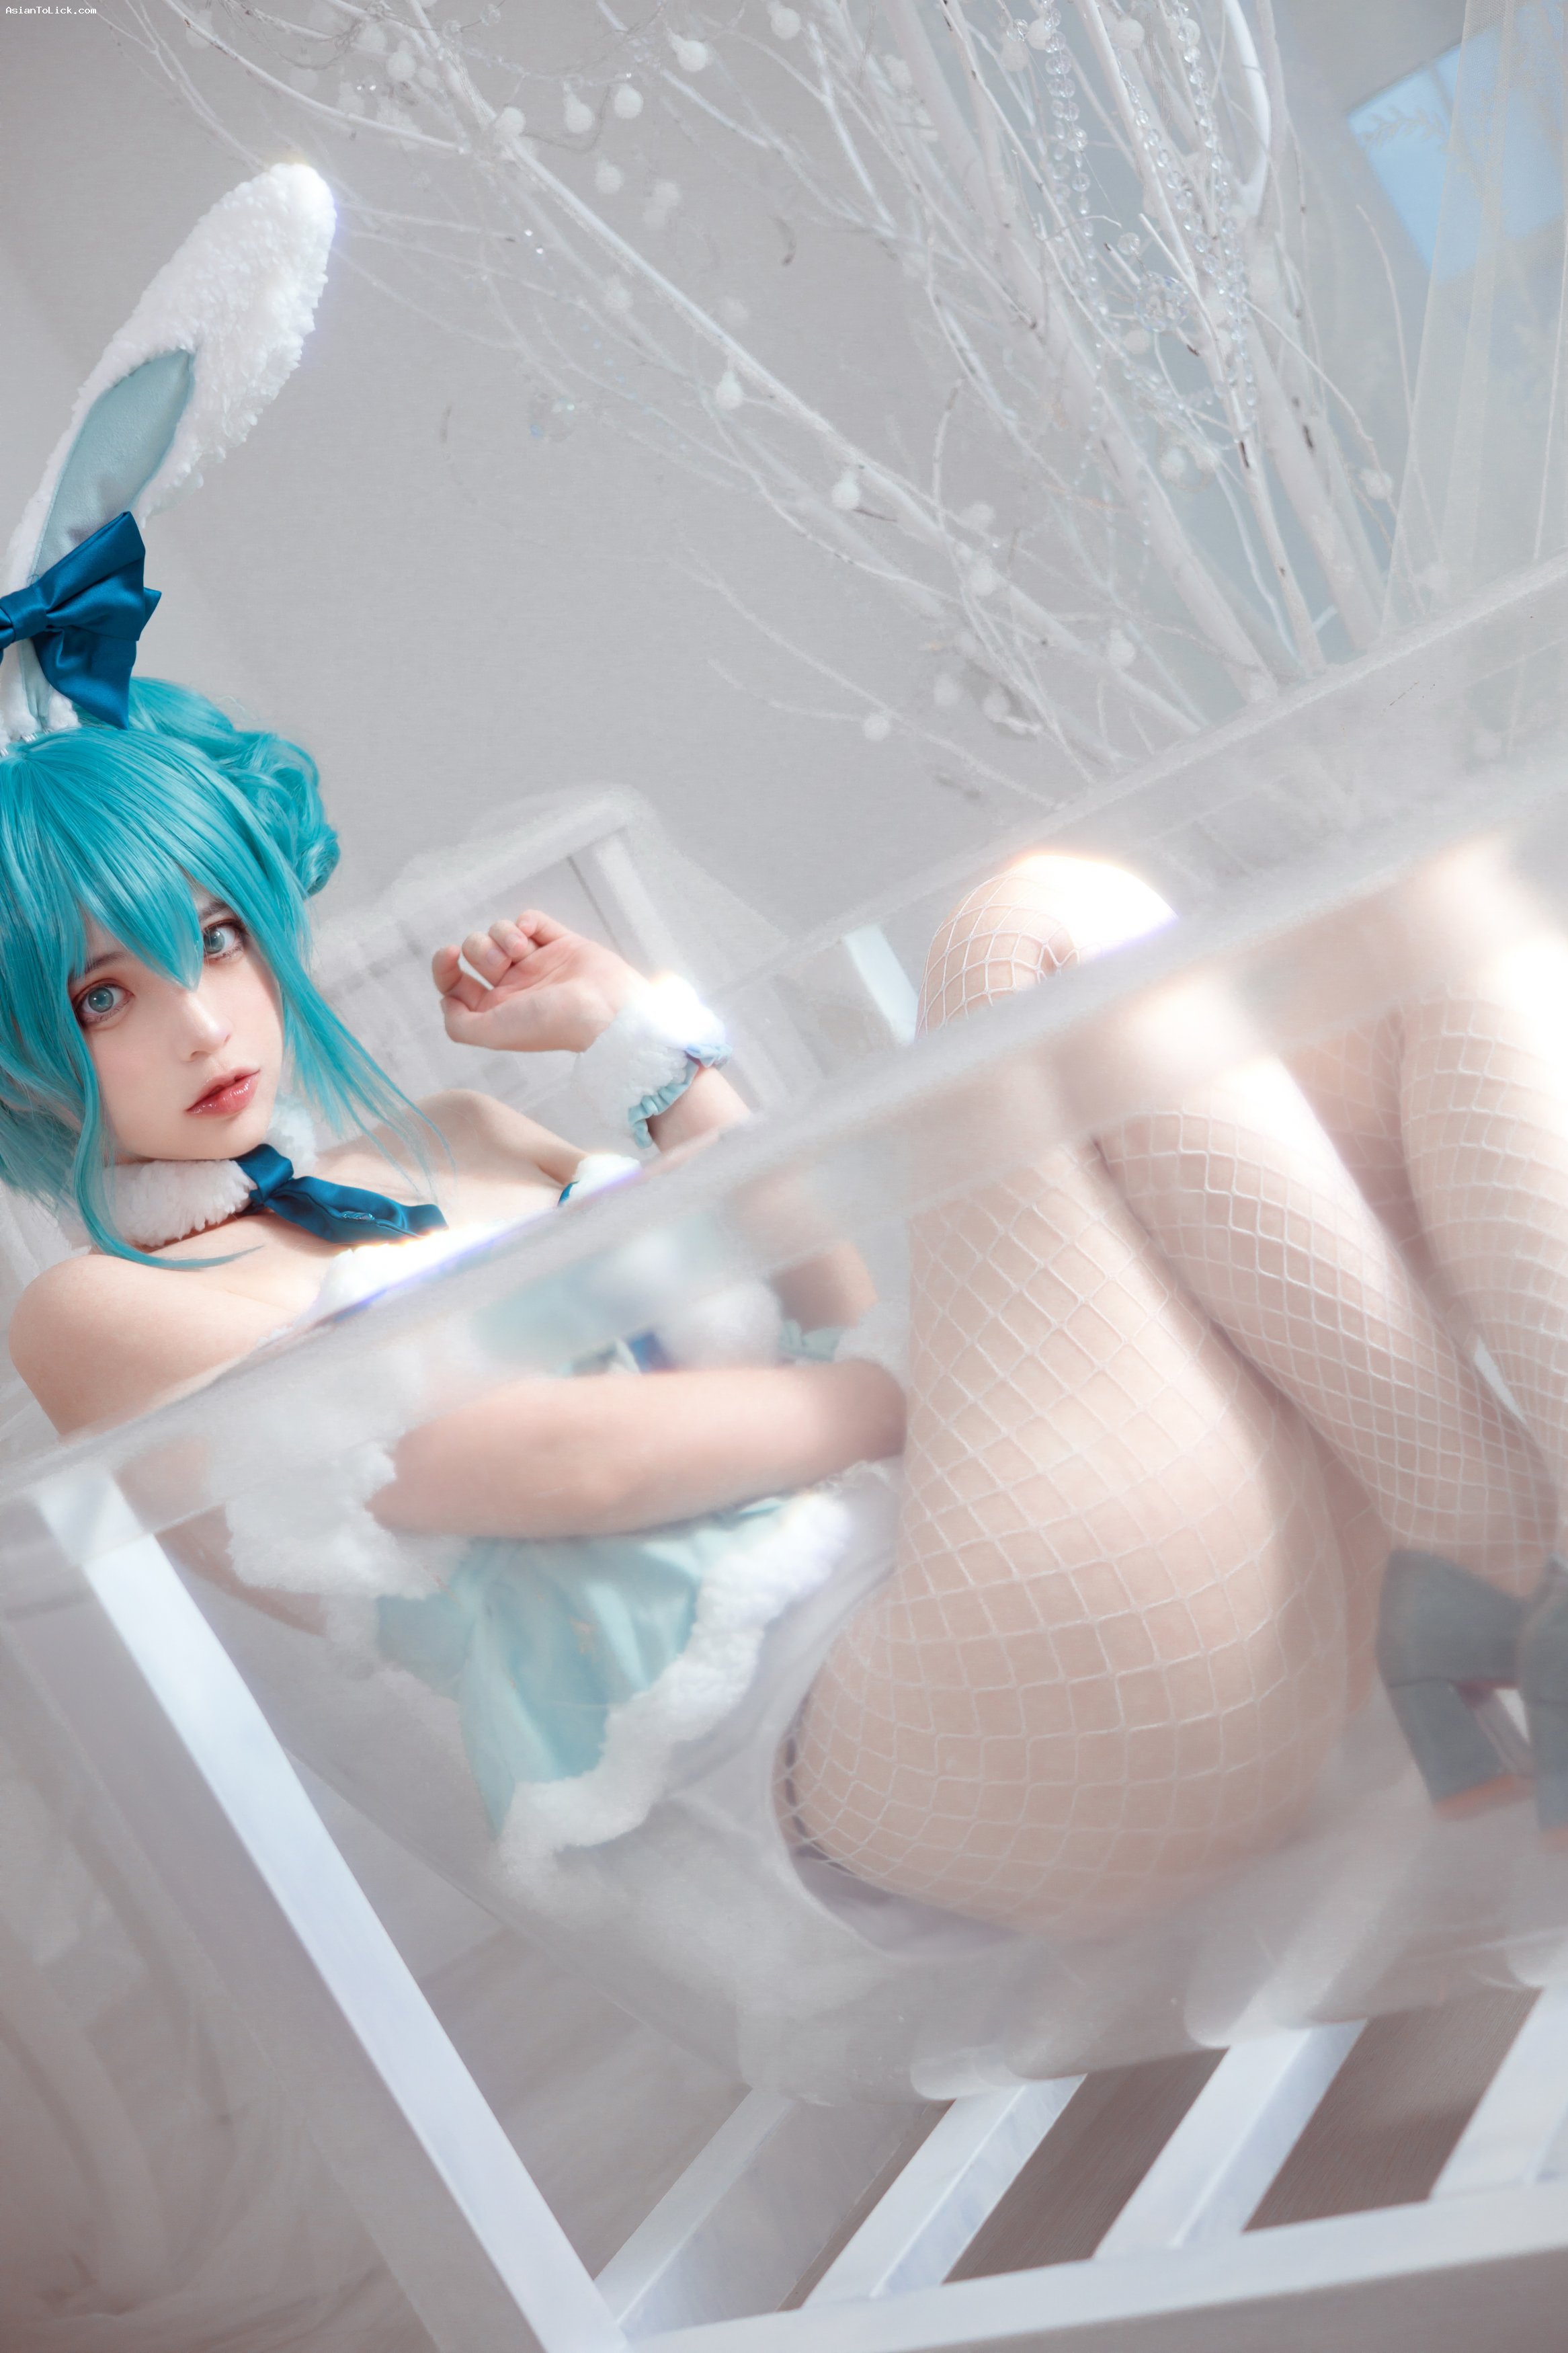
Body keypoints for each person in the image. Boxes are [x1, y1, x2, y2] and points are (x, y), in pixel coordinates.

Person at [5, 677, 1568, 1956]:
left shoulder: (462, 1138)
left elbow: (825, 1293)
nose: (201, 1018)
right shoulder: (94, 1309)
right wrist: (926, 1396)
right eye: (103, 995)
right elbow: (556, 1461)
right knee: (1027, 924)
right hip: (928, 1739)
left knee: (1428, 909)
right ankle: (1504, 1558)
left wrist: (641, 1054)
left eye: (217, 938)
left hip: (1081, 1564)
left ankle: (1490, 1570)